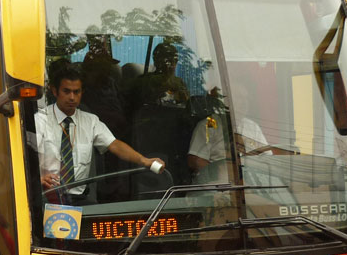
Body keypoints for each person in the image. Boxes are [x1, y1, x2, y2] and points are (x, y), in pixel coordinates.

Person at [35, 65, 164, 204]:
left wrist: (144, 160)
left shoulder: (90, 121)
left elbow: (114, 145)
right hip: (47, 197)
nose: (72, 97)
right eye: (66, 91)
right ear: (54, 91)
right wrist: (38, 179)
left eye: (76, 92)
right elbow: (23, 157)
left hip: (79, 199)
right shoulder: (40, 120)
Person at [187, 83, 267, 184]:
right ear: (225, 101)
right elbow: (194, 160)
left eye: (246, 99)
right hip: (218, 185)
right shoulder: (209, 125)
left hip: (251, 182)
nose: (244, 103)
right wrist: (219, 172)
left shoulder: (253, 127)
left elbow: (267, 157)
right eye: (239, 98)